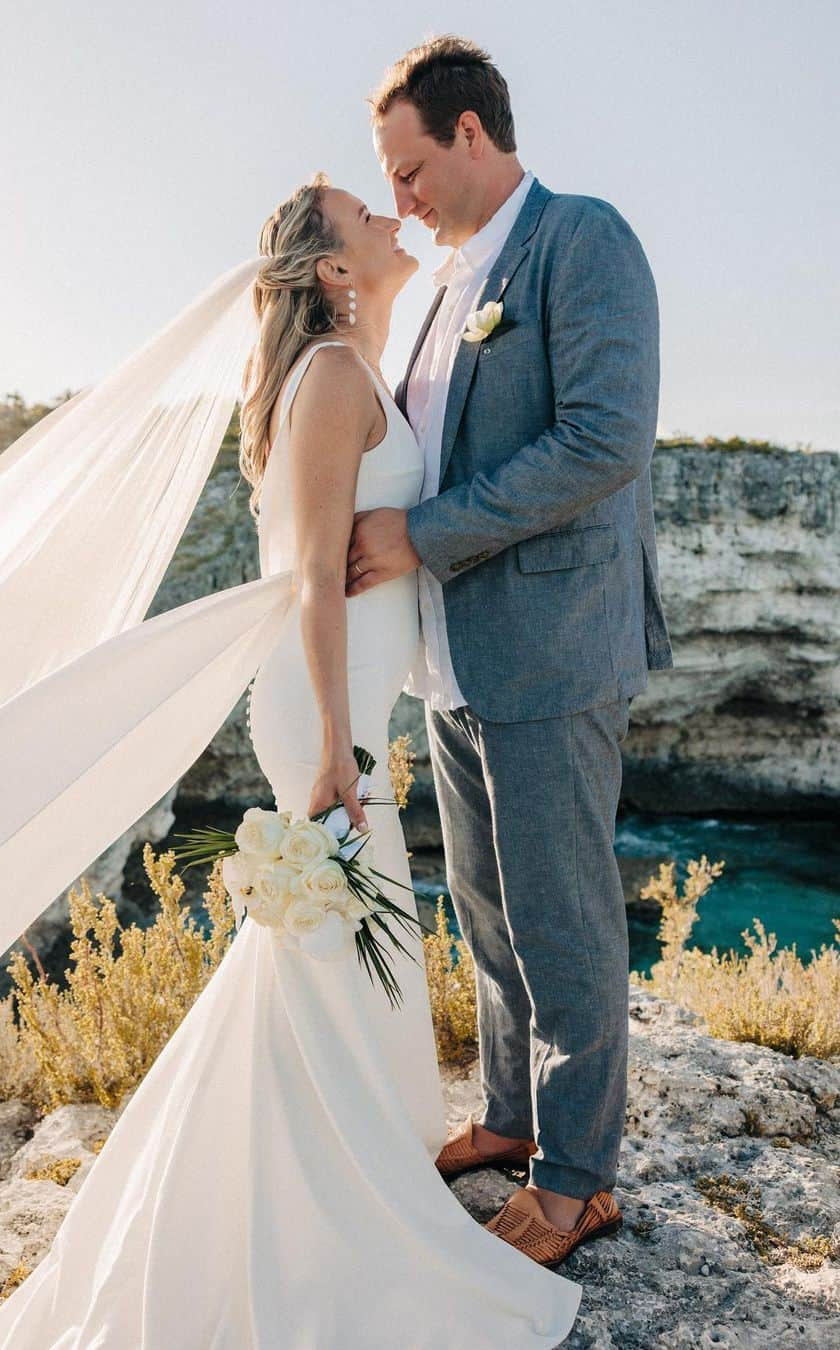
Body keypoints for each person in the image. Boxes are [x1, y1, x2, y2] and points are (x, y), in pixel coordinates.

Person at [0, 171, 581, 1344]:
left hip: (342, 706)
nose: (393, 216)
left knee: (329, 958)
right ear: (336, 272)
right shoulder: (337, 376)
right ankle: (298, 1221)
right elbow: (311, 573)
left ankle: (339, 1181)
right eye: (366, 214)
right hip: (324, 713)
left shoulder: (353, 372)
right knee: (323, 952)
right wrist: (340, 753)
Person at [347, 36, 674, 1265]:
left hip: (551, 643)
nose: (402, 198)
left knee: (564, 916)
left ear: (472, 134)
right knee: (486, 910)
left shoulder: (581, 241)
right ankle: (511, 1115)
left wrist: (420, 534)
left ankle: (581, 1176)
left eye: (411, 166)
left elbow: (604, 440)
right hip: (451, 657)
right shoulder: (434, 290)